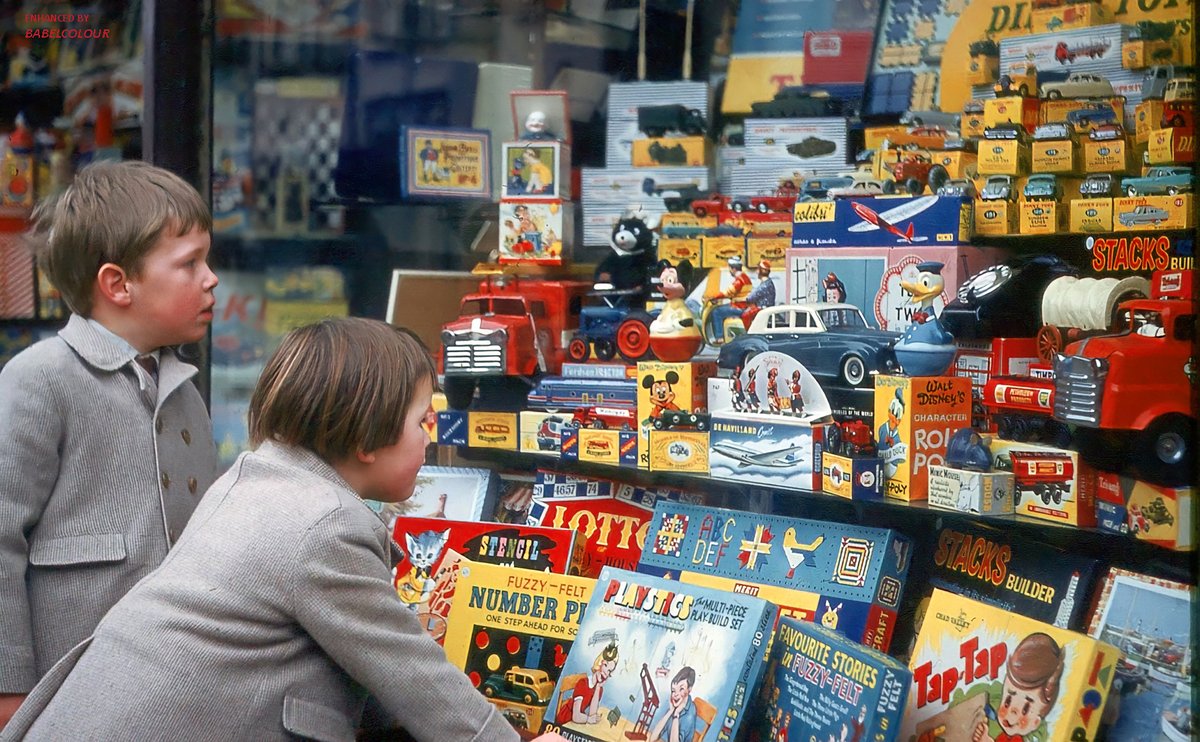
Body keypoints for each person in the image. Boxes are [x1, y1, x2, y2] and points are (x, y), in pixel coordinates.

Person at [1, 318, 568, 742]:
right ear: (367, 440)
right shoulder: (323, 526)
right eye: (420, 420)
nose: (430, 435)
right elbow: (414, 677)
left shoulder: (254, 480)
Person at [0, 161, 220, 728]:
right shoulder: (40, 377)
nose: (210, 278)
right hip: (65, 689)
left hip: (172, 690)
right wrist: (7, 686)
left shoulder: (185, 393)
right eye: (189, 263)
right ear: (118, 284)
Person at [974, 632, 1064, 742]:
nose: (1012, 712)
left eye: (1025, 709)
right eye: (1008, 701)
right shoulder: (1004, 737)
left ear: (1035, 723)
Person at [558, 642, 619, 726]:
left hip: (578, 721)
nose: (606, 672)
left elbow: (592, 714)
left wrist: (598, 687)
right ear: (599, 663)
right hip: (566, 719)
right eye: (605, 665)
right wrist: (589, 719)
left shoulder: (599, 689)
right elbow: (575, 716)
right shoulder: (583, 684)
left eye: (609, 670)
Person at [650, 666, 698, 742]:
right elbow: (652, 738)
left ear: (689, 689)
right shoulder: (675, 706)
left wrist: (676, 715)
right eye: (673, 691)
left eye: (681, 689)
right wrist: (670, 712)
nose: (676, 694)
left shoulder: (689, 714)